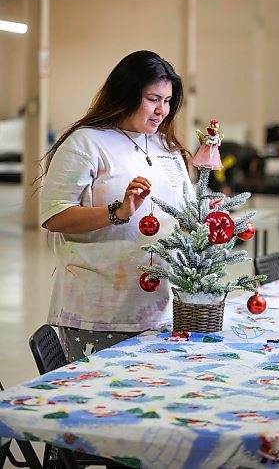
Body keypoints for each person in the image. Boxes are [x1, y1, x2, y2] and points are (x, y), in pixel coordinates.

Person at [40, 50, 193, 362]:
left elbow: (187, 211)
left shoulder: (167, 147)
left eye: (167, 101)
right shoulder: (87, 143)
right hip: (101, 311)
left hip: (162, 309)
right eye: (153, 99)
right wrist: (118, 212)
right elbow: (54, 216)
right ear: (125, 94)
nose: (162, 110)